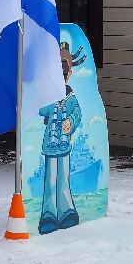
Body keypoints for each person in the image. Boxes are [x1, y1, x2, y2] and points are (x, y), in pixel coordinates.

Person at [37, 41, 84, 235]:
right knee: (50, 180)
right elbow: (41, 110)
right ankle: (48, 214)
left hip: (64, 145)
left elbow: (78, 113)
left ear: (69, 74)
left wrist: (70, 122)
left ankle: (66, 211)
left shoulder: (71, 97)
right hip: (50, 146)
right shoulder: (48, 94)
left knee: (63, 178)